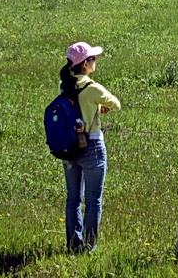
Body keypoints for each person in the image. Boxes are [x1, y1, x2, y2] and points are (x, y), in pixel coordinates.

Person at [59, 41, 121, 254]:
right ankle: (89, 246)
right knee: (93, 200)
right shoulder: (92, 88)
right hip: (92, 144)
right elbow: (116, 103)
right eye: (92, 59)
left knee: (73, 199)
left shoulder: (65, 86)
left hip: (68, 145)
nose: (95, 61)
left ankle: (73, 244)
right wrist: (100, 106)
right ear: (85, 64)